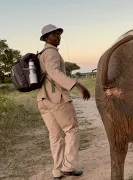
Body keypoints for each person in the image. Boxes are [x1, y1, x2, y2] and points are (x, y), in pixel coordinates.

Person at [37, 24, 91, 180]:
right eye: (54, 34)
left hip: (43, 99)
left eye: (59, 34)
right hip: (56, 99)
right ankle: (68, 167)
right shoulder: (51, 52)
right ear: (46, 38)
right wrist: (77, 84)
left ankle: (57, 171)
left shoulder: (41, 54)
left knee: (54, 135)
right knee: (72, 129)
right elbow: (55, 73)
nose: (58, 37)